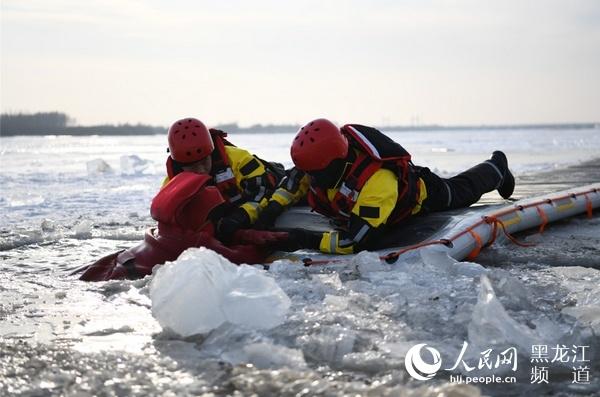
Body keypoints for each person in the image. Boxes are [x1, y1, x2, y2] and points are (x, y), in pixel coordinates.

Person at [256, 118, 515, 255]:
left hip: (422, 195)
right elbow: (291, 185)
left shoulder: (378, 182)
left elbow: (354, 242)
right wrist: (269, 210)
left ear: (332, 165)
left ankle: (497, 167)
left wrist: (304, 239)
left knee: (460, 190)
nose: (309, 179)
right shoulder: (320, 166)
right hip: (365, 202)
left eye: (313, 173)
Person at [78, 168, 288, 281]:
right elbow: (238, 258)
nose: (216, 221)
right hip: (125, 278)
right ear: (198, 215)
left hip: (115, 265)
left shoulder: (162, 231)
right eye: (213, 215)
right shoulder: (194, 242)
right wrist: (262, 243)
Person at [164, 117, 286, 243]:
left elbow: (263, 190)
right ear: (179, 164)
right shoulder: (171, 183)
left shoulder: (239, 159)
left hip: (270, 182)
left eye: (204, 162)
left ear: (210, 152)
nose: (200, 170)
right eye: (192, 166)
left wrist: (240, 217)